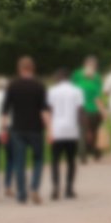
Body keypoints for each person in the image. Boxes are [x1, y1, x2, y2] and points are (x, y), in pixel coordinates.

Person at [4, 56, 50, 205]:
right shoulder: (39, 85)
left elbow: (5, 109)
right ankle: (34, 187)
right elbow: (44, 110)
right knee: (38, 159)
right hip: (36, 128)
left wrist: (3, 129)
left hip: (17, 128)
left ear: (19, 69)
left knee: (19, 162)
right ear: (33, 68)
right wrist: (50, 129)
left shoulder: (12, 85)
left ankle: (22, 194)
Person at [47, 68, 85, 200]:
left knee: (55, 160)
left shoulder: (51, 91)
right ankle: (69, 189)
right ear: (69, 78)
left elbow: (49, 110)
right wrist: (84, 129)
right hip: (71, 130)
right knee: (71, 161)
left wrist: (48, 128)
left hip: (56, 130)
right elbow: (80, 111)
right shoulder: (77, 91)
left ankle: (55, 187)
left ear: (58, 78)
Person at [71, 56, 105, 164]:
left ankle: (82, 155)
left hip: (80, 110)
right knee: (95, 131)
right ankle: (96, 153)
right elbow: (98, 98)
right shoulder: (96, 80)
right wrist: (103, 111)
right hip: (94, 110)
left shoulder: (77, 77)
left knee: (82, 132)